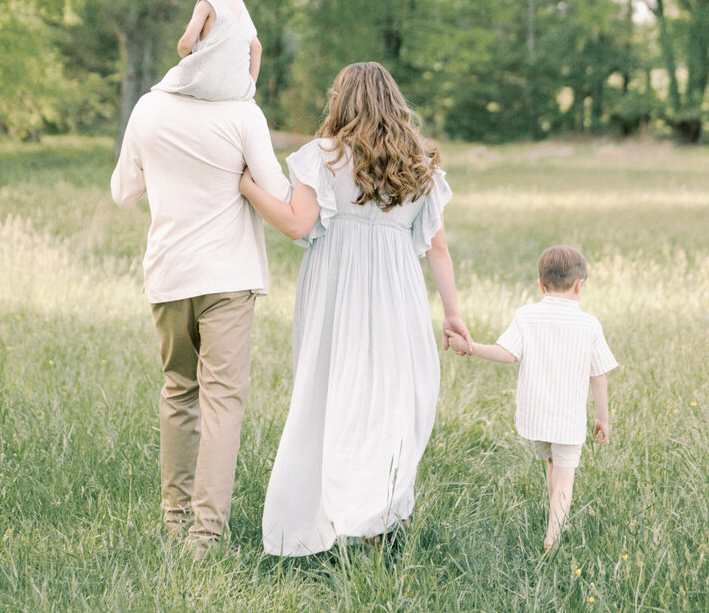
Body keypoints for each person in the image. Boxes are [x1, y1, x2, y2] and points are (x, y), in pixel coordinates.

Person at [239, 61, 473, 556]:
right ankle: (377, 516)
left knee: (329, 394)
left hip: (335, 292)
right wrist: (453, 314)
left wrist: (248, 188)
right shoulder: (419, 161)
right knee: (389, 399)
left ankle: (329, 517)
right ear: (393, 101)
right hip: (398, 294)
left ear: (340, 101)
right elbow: (438, 249)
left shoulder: (321, 157)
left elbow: (298, 224)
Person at [111, 83, 291, 559]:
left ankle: (176, 520)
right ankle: (206, 537)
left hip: (170, 275)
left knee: (178, 389)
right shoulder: (243, 113)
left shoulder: (149, 107)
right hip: (228, 277)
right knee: (223, 402)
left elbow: (123, 192)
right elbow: (279, 194)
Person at [464, 244, 617, 550]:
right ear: (580, 285)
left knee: (552, 465)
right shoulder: (589, 324)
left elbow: (507, 355)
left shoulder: (526, 315)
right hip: (568, 418)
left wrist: (473, 346)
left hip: (536, 415)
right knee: (564, 477)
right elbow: (597, 376)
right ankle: (553, 536)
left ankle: (555, 517)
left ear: (540, 285)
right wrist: (603, 417)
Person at [153, 0, 262, 102]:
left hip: (206, 84)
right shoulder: (240, 4)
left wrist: (183, 50)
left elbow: (184, 46)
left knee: (157, 92)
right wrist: (249, 86)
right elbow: (256, 47)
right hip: (236, 90)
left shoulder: (208, 2)